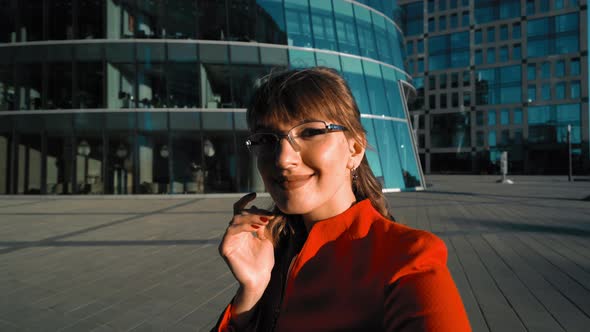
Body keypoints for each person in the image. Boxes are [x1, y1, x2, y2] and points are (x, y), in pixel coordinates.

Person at [215, 67, 471, 331]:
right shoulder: (271, 250)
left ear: (356, 148)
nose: (283, 159)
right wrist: (251, 294)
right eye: (266, 139)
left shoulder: (407, 260)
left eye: (310, 132)